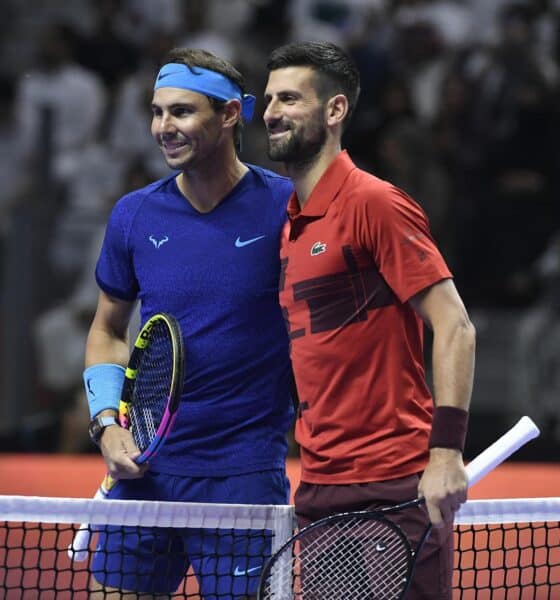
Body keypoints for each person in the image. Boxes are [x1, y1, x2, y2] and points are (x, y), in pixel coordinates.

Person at [263, 40, 476, 599]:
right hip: (319, 486)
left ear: (335, 110)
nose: (270, 112)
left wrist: (447, 452)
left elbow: (455, 326)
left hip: (394, 486)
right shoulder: (290, 226)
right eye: (268, 99)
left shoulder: (374, 203)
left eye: (289, 98)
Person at [83, 47, 294, 599]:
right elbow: (107, 330)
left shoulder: (288, 208)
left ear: (230, 115)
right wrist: (107, 423)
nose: (162, 127)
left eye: (181, 112)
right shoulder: (133, 213)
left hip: (244, 474)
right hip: (145, 471)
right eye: (156, 112)